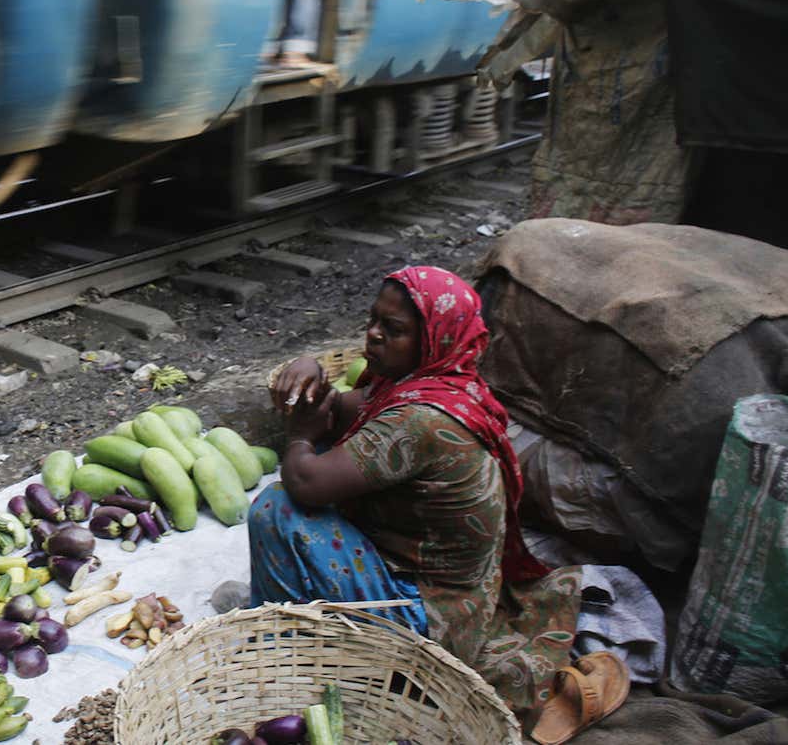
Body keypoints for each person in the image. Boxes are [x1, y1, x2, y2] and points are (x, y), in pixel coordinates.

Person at [249, 266, 587, 723]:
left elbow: (307, 483)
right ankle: (296, 619)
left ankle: (288, 650)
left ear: (433, 341)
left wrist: (298, 435)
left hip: (431, 613)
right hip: (458, 591)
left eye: (394, 330)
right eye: (373, 321)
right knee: (320, 461)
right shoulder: (435, 384)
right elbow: (336, 411)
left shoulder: (422, 418)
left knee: (277, 509)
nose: (373, 336)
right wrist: (307, 369)